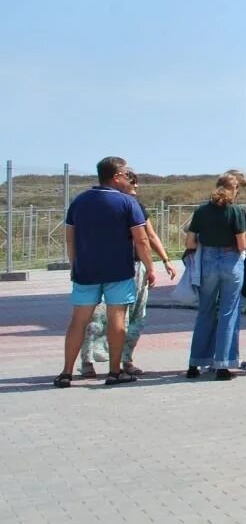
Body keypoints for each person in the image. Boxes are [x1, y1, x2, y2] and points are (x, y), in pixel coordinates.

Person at [56, 157, 153, 388]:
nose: (128, 177)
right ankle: (114, 371)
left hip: (85, 271)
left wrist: (74, 265)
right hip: (118, 271)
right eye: (126, 174)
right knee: (117, 319)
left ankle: (66, 372)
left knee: (78, 321)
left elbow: (70, 238)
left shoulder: (79, 201)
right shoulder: (128, 204)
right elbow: (141, 240)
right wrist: (150, 267)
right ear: (117, 176)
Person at [78, 169, 174, 378]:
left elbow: (149, 235)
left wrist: (164, 260)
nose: (135, 187)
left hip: (132, 266)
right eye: (131, 182)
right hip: (116, 268)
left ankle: (125, 359)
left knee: (136, 316)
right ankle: (88, 360)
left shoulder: (136, 206)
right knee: (100, 317)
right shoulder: (105, 205)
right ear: (118, 180)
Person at [183, 176, 246, 382]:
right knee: (228, 312)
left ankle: (195, 363)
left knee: (205, 311)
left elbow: (190, 241)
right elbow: (241, 244)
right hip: (231, 261)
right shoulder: (236, 211)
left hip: (208, 260)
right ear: (235, 189)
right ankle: (223, 365)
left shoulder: (202, 210)